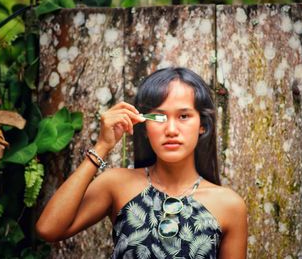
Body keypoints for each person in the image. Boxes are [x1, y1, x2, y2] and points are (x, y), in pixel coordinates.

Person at [36, 67, 248, 258]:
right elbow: (48, 229)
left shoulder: (229, 205)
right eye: (159, 117)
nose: (171, 130)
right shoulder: (117, 184)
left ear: (202, 124)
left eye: (184, 116)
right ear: (145, 126)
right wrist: (102, 146)